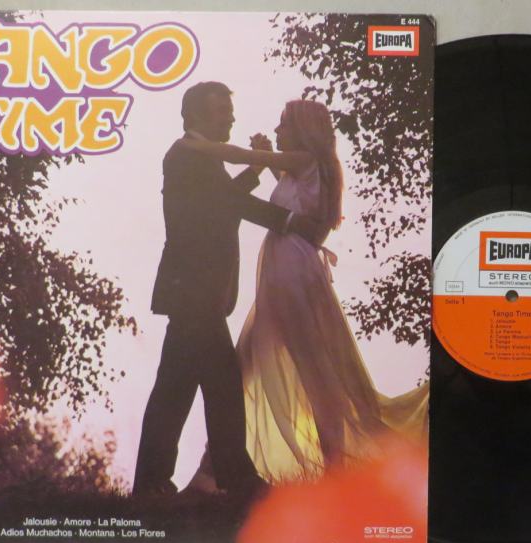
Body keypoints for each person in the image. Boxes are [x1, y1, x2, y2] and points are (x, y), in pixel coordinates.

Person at [178, 99, 428, 486]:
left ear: (302, 130)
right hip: (285, 271)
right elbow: (283, 187)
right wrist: (265, 158)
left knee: (307, 371)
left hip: (291, 272)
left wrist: (199, 145)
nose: (278, 131)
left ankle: (332, 469)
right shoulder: (304, 168)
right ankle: (214, 470)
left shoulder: (307, 159)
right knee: (247, 366)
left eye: (284, 125)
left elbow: (241, 155)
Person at [132, 83, 327, 501]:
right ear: (196, 116)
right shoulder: (187, 154)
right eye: (221, 111)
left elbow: (220, 202)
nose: (231, 118)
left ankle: (153, 482)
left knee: (175, 387)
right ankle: (236, 479)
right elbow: (226, 205)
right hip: (195, 293)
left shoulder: (199, 157)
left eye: (229, 110)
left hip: (196, 294)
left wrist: (254, 173)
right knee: (219, 382)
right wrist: (290, 221)